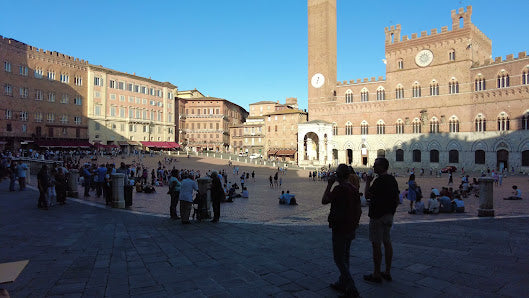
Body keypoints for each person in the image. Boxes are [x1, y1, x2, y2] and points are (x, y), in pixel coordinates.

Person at [322, 164, 361, 297]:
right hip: (350, 227)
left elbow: (324, 200)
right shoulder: (354, 188)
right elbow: (359, 209)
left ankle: (351, 288)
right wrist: (355, 224)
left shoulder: (339, 189)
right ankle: (342, 282)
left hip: (340, 228)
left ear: (338, 175)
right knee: (345, 257)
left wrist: (329, 184)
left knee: (338, 258)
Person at [364, 157, 399, 284]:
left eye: (376, 165)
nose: (373, 167)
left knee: (376, 244)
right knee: (387, 242)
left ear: (383, 167)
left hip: (377, 217)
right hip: (389, 216)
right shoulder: (393, 180)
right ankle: (387, 272)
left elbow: (367, 195)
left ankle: (376, 274)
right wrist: (392, 212)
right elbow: (396, 198)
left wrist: (368, 181)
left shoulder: (379, 181)